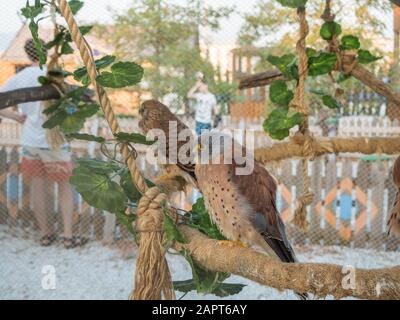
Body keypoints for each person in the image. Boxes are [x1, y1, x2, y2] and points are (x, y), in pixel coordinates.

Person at [0, 39, 78, 249]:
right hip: (55, 142)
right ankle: (68, 236)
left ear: (28, 54)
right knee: (64, 188)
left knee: (37, 188)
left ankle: (46, 234)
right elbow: (73, 106)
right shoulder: (55, 75)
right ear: (47, 52)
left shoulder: (20, 77)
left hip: (30, 142)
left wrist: (16, 118)